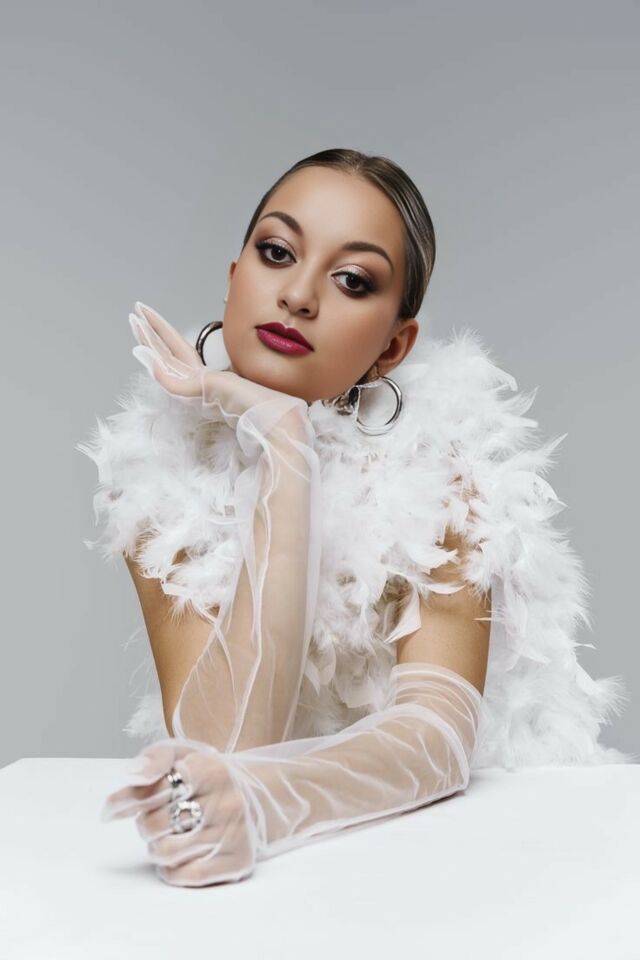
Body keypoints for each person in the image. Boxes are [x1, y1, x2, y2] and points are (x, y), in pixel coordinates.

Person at [77, 148, 634, 888]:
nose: (299, 295)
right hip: (259, 880)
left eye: (352, 280)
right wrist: (284, 446)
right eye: (278, 253)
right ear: (234, 278)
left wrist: (269, 802)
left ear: (393, 346)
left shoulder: (446, 467)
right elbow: (228, 745)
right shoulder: (157, 473)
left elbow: (437, 733)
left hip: (462, 863)